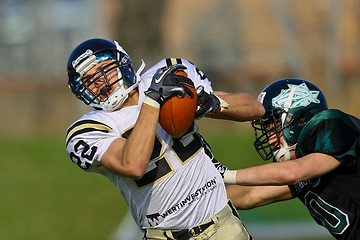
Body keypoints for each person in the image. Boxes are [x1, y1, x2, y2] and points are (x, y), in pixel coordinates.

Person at [65, 38, 264, 240]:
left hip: (221, 225)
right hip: (163, 235)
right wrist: (153, 101)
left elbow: (255, 109)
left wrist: (213, 102)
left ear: (122, 63)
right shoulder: (87, 130)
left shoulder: (167, 72)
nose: (99, 82)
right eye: (88, 81)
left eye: (104, 69)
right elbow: (133, 165)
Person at [224, 78, 360, 240]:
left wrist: (225, 173)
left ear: (299, 120)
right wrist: (199, 192)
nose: (269, 140)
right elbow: (250, 195)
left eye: (273, 127)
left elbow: (293, 172)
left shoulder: (334, 127)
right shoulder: (303, 164)